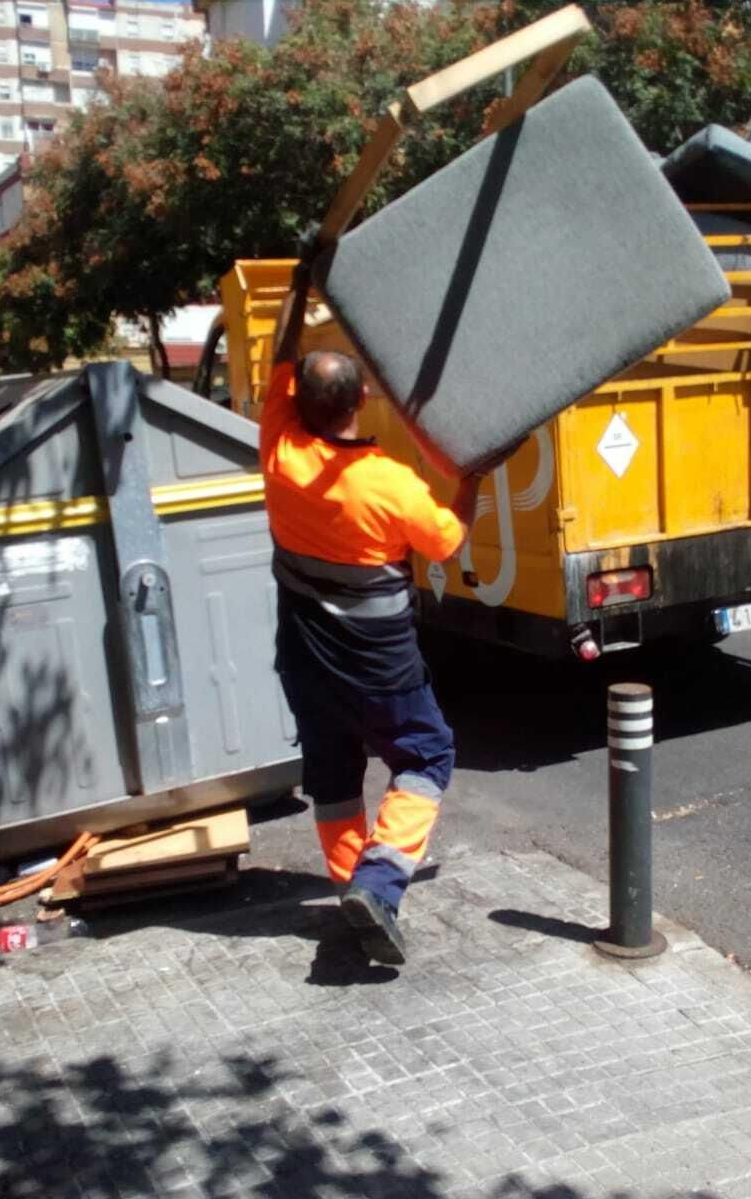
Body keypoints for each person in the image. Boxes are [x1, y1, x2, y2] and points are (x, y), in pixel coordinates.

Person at [262, 247, 482, 964]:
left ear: (298, 403)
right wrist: (472, 473)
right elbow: (448, 544)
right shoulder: (391, 485)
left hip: (304, 662)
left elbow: (279, 357)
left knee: (331, 776)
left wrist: (297, 292)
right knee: (428, 756)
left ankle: (352, 889)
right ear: (363, 402)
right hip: (382, 667)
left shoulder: (279, 450)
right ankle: (381, 884)